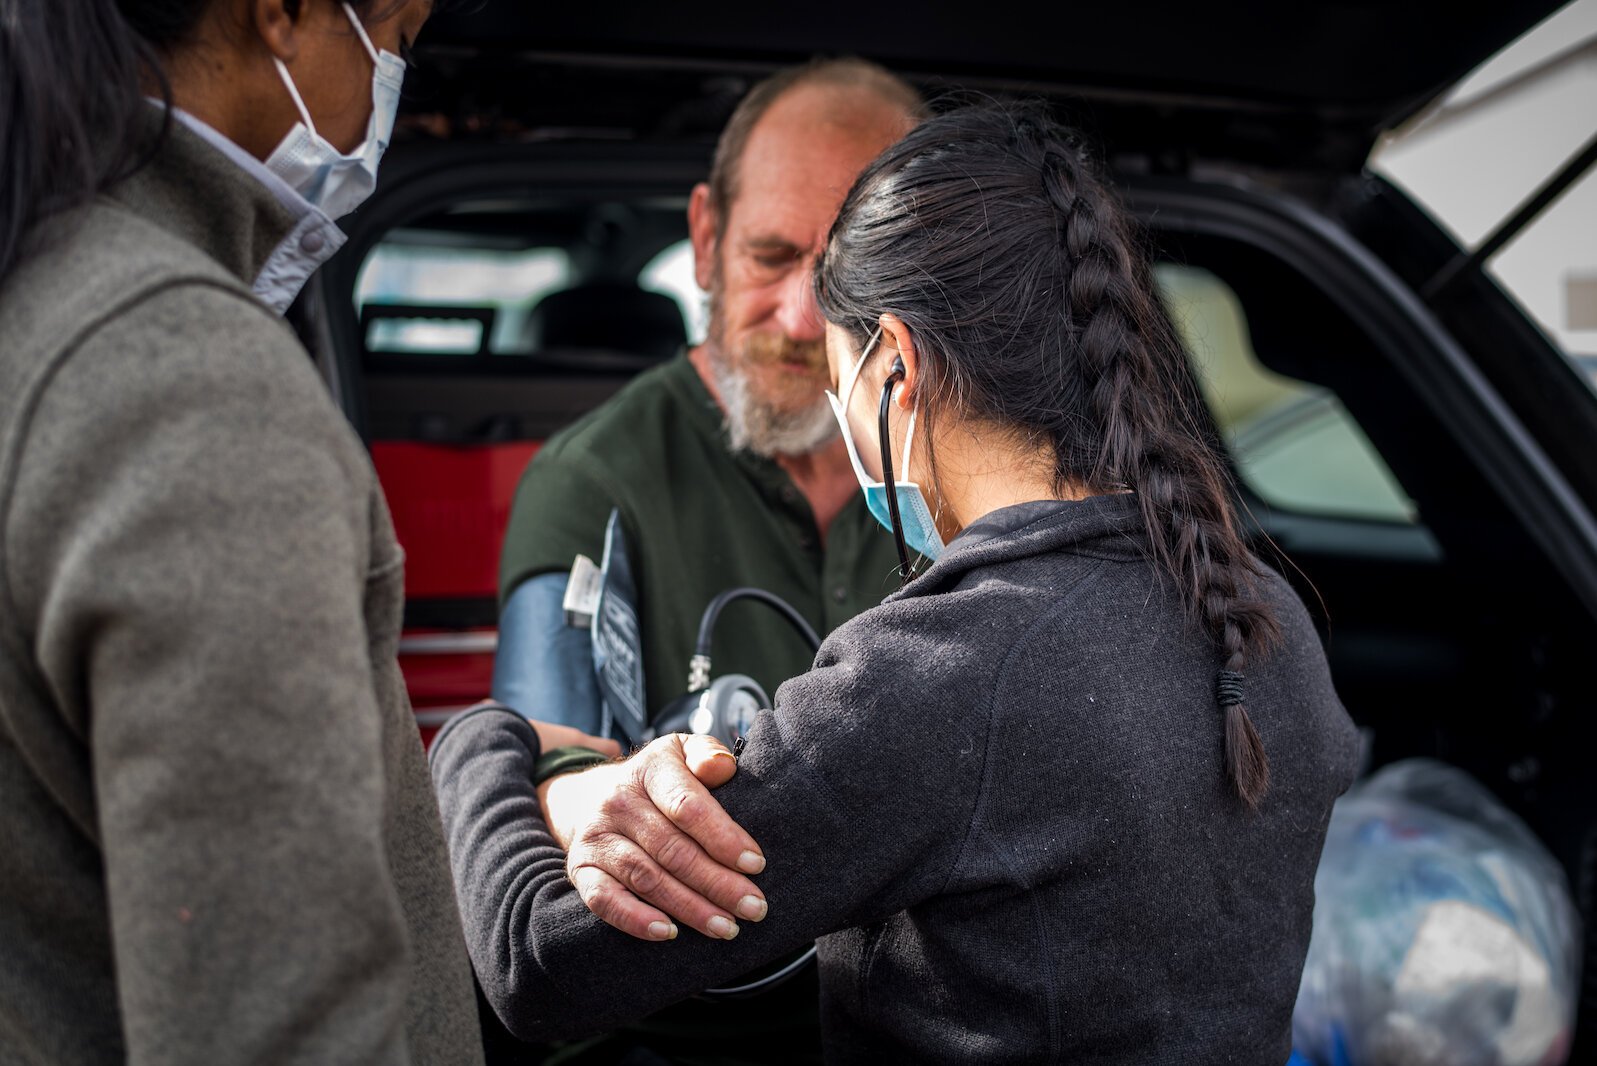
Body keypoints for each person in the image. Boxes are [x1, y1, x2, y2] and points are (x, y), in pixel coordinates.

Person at [431, 100, 1364, 1062]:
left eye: (839, 382)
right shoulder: (1260, 607)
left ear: (895, 368)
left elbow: (538, 971)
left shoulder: (938, 679)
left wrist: (487, 744)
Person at [0, 2, 611, 1061]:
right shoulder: (191, 385)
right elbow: (276, 1014)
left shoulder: (42, 299)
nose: (386, 85)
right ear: (280, 13)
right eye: (399, 39)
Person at [486, 57, 925, 1064]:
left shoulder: (963, 461)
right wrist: (580, 791)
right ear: (703, 238)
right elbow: (540, 763)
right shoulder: (595, 478)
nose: (806, 318)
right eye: (771, 257)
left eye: (853, 269)